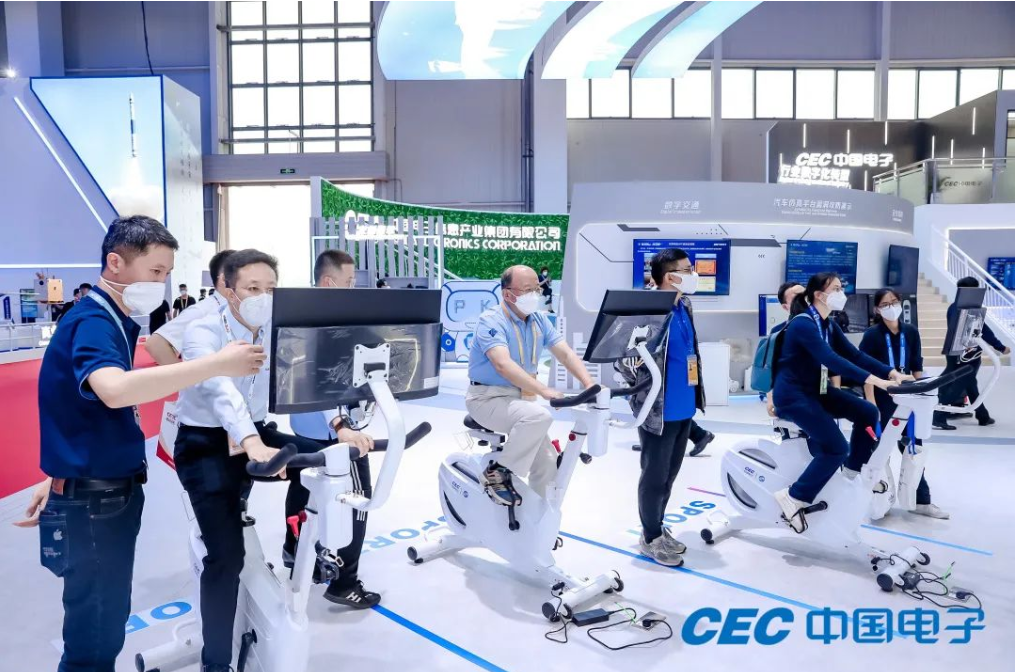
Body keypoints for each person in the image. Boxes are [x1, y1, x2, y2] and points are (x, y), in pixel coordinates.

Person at [15, 216, 265, 672]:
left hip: (94, 486)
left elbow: (76, 404)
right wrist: (214, 365)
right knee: (96, 634)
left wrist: (60, 472)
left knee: (102, 620)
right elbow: (113, 389)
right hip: (98, 498)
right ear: (115, 262)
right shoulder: (94, 320)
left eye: (166, 273)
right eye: (154, 271)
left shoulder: (111, 318)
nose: (162, 282)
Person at [172, 249, 331, 672]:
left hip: (256, 432)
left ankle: (296, 546)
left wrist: (341, 424)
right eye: (253, 288)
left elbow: (312, 374)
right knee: (227, 558)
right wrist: (250, 441)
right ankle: (215, 664)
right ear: (228, 290)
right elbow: (219, 389)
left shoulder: (278, 330)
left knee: (326, 459)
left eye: (271, 288)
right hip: (206, 443)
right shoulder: (203, 330)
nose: (264, 297)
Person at [770, 272, 907, 533]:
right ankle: (794, 496)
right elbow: (831, 360)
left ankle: (852, 473)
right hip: (794, 396)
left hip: (817, 391)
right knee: (836, 448)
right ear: (819, 295)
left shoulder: (828, 324)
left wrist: (892, 373)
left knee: (867, 411)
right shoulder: (803, 324)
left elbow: (855, 355)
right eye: (835, 288)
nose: (841, 293)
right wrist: (877, 382)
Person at [286, 249, 381, 609]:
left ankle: (295, 550)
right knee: (358, 498)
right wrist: (340, 424)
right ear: (329, 282)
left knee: (304, 489)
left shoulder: (305, 317)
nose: (352, 288)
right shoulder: (322, 323)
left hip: (306, 425)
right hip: (334, 431)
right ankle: (345, 581)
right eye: (349, 281)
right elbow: (317, 377)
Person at [467, 265, 595, 505]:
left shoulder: (538, 320)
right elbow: (502, 364)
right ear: (507, 294)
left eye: (536, 288)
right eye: (527, 289)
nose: (535, 294)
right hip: (487, 398)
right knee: (538, 416)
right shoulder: (491, 321)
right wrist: (544, 391)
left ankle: (537, 519)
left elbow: (565, 354)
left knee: (548, 464)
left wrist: (589, 384)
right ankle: (497, 473)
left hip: (522, 399)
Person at [616, 248, 706, 566]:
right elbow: (623, 359)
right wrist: (640, 381)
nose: (693, 274)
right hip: (657, 409)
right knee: (654, 476)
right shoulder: (646, 308)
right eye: (687, 269)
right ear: (670, 277)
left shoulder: (685, 304)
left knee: (669, 475)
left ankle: (657, 526)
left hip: (684, 405)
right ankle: (650, 536)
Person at [858, 288, 948, 519]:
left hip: (909, 398)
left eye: (894, 302)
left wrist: (922, 394)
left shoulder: (911, 332)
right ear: (877, 309)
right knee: (880, 451)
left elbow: (916, 365)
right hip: (882, 397)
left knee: (914, 450)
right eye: (885, 304)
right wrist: (871, 404)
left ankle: (921, 501)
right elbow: (865, 371)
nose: (891, 307)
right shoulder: (872, 335)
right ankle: (881, 500)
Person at [933, 276, 1011, 429]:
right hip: (967, 355)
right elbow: (983, 329)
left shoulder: (955, 307)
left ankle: (982, 416)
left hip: (956, 352)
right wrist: (1000, 347)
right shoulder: (968, 309)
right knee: (959, 384)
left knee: (970, 384)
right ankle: (939, 416)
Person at [145, 250, 235, 365]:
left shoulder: (237, 309)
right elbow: (156, 344)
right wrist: (184, 376)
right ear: (224, 278)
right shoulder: (203, 310)